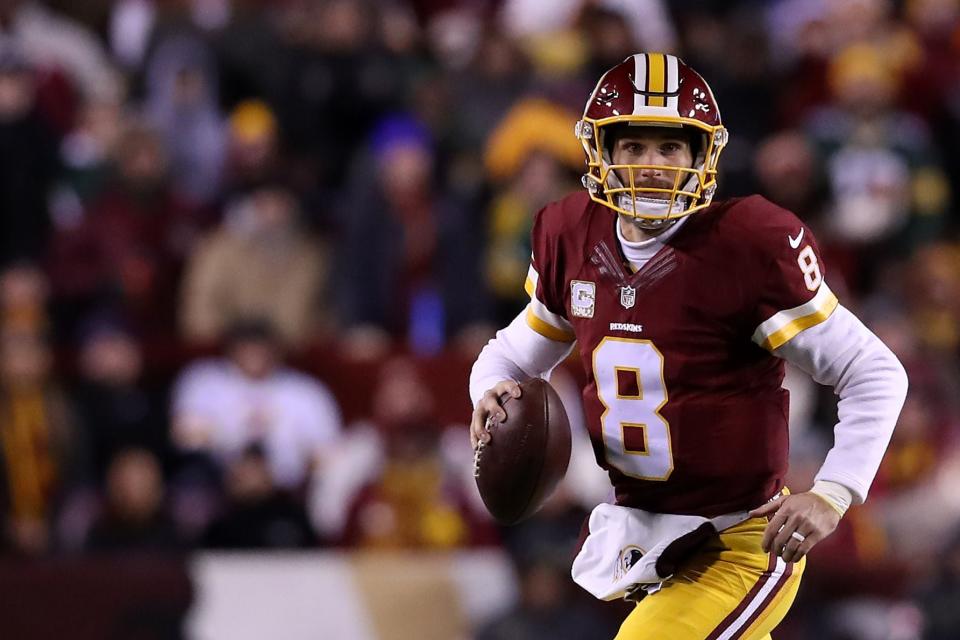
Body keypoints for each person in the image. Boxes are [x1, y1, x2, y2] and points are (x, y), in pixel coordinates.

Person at [469, 53, 909, 639]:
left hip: (740, 540)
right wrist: (488, 393)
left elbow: (874, 370)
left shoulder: (745, 246)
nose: (652, 165)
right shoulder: (572, 236)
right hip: (643, 538)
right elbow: (510, 355)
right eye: (634, 147)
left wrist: (833, 492)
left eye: (670, 148)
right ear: (602, 152)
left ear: (703, 156)